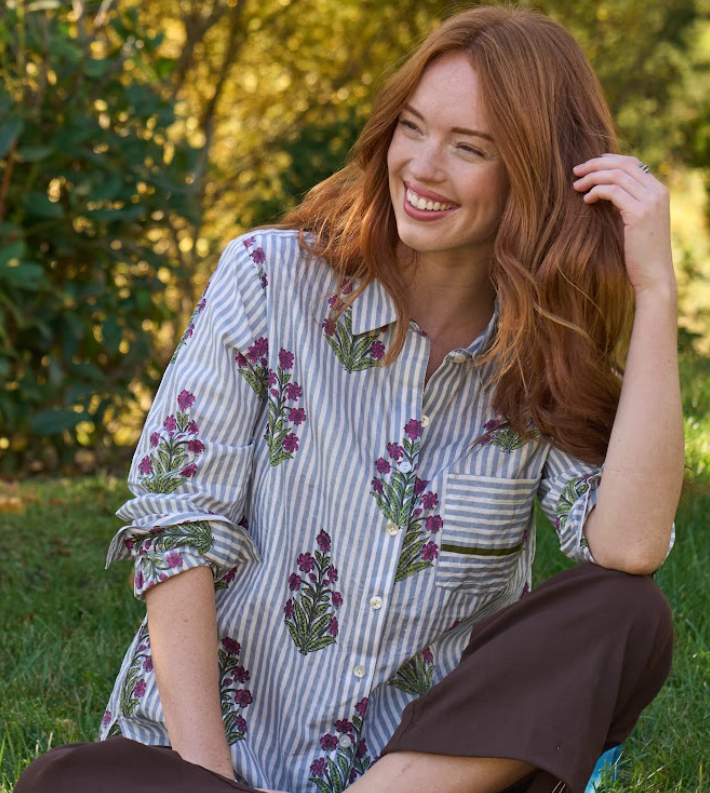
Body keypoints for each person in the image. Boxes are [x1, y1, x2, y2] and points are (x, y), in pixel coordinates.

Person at [15, 5, 682, 793]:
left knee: (627, 612)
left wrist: (655, 289)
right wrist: (210, 780)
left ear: (534, 178)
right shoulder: (268, 278)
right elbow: (176, 529)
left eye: (469, 147)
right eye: (412, 127)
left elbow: (629, 547)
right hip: (203, 766)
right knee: (65, 781)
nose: (423, 167)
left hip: (408, 773)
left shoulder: (543, 350)